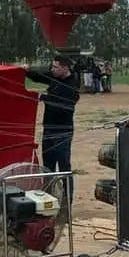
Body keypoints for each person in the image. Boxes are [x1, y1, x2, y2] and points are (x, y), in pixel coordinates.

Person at [25, 54, 81, 202]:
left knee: (63, 167)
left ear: (65, 68)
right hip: (48, 129)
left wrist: (43, 98)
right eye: (52, 67)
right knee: (48, 167)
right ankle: (48, 198)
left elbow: (63, 106)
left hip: (62, 131)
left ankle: (66, 201)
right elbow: (40, 76)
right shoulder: (56, 77)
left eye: (55, 67)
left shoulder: (72, 86)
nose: (52, 70)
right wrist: (27, 71)